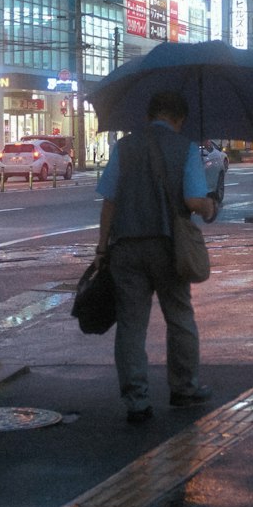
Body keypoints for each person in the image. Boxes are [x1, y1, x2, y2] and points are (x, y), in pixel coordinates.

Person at [96, 89, 218, 425]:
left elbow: (109, 201)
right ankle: (184, 388)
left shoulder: (124, 147)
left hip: (126, 246)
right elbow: (194, 200)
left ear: (150, 115)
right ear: (179, 119)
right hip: (168, 247)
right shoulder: (186, 147)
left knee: (131, 326)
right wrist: (210, 205)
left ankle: (136, 401)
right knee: (179, 316)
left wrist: (102, 247)